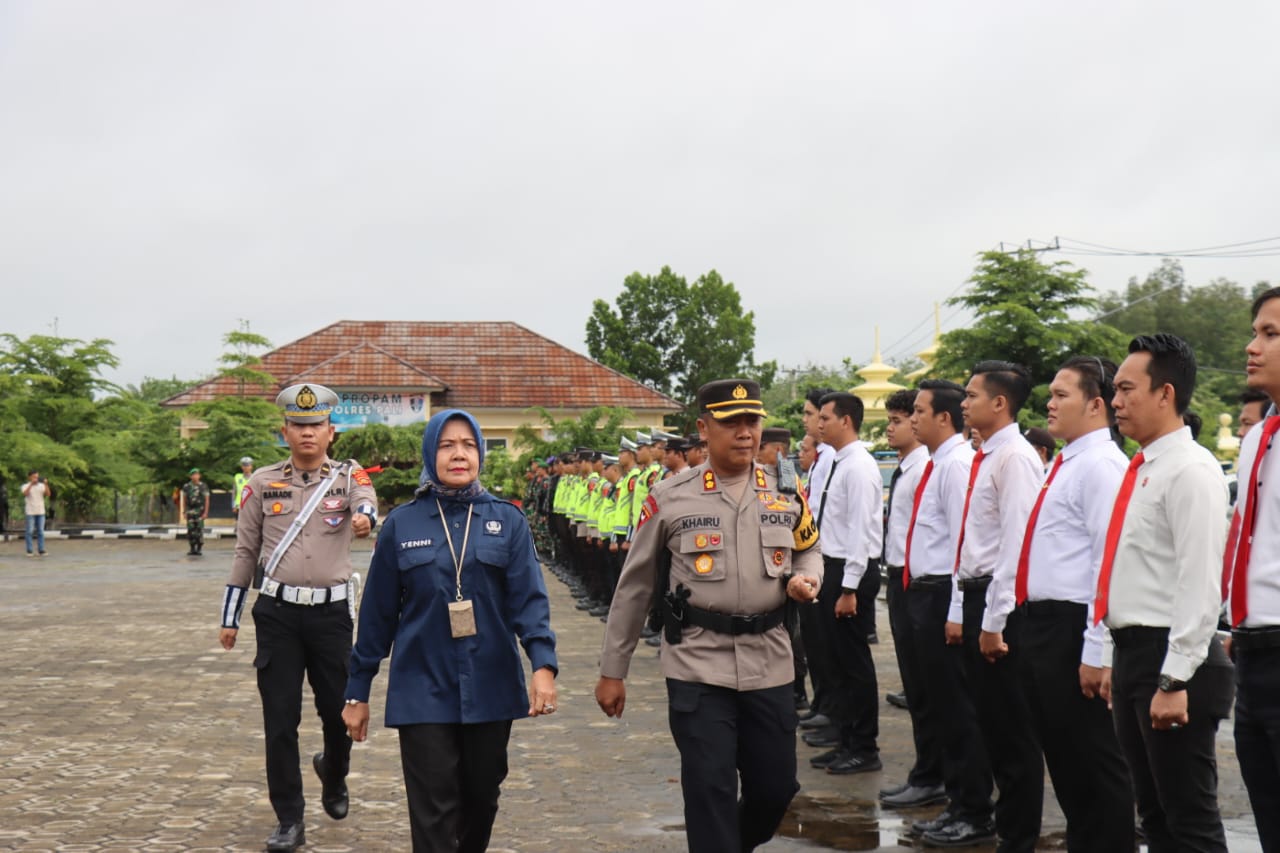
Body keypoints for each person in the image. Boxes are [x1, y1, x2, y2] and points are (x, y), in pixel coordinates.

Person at [595, 379, 822, 853]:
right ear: (703, 428)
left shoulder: (785, 489)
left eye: (752, 422)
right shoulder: (670, 495)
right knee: (708, 787)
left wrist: (807, 578)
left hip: (770, 662)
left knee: (775, 789)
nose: (745, 432)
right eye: (731, 422)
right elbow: (635, 587)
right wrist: (612, 671)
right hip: (698, 663)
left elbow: (809, 548)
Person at [343, 408, 557, 853]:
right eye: (446, 445)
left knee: (482, 797)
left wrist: (542, 665)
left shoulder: (509, 521)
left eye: (468, 445)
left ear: (480, 452)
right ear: (430, 452)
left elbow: (529, 601)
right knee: (433, 810)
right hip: (422, 685)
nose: (459, 454)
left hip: (492, 684)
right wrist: (356, 691)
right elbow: (377, 615)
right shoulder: (402, 524)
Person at [218, 383, 378, 853]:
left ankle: (334, 771)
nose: (307, 433)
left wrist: (366, 518)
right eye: (298, 425)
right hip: (278, 615)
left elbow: (366, 504)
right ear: (284, 431)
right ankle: (290, 818)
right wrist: (230, 619)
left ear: (332, 432)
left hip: (331, 616)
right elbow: (245, 552)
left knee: (339, 713)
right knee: (280, 721)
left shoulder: (350, 479)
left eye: (316, 425)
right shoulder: (262, 483)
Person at [1098, 334, 1233, 852]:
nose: (1116, 401)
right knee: (1153, 817)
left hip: (1175, 658)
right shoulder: (1145, 468)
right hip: (1135, 654)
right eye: (1115, 390)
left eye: (1127, 389)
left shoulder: (1191, 470)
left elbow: (1200, 582)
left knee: (1189, 821)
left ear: (1166, 393)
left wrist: (1175, 676)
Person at [1017, 356, 1135, 851]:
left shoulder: (1103, 466)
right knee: (1066, 761)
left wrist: (1095, 649)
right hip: (1045, 626)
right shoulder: (1070, 459)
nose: (1049, 402)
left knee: (1094, 762)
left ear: (1095, 405)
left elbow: (1106, 567)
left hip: (1074, 629)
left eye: (1061, 394)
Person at [954, 361, 1046, 851]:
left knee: (1012, 733)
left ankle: (1018, 838)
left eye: (971, 395)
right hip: (976, 596)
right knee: (990, 725)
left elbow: (1017, 546)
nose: (963, 403)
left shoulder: (1015, 458)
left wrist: (994, 622)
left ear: (999, 403)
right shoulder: (986, 456)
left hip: (997, 603)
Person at [904, 379, 995, 842]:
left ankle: (973, 810)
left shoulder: (957, 465)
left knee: (959, 710)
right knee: (941, 705)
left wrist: (956, 609)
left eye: (919, 411)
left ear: (943, 418)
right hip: (926, 593)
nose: (912, 417)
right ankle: (958, 802)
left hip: (946, 594)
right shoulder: (939, 464)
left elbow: (967, 545)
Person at [1223, 287, 1280, 851]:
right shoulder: (1259, 436)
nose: (1252, 346)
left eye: (1271, 334)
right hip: (1253, 648)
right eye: (1255, 332)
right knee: (1267, 811)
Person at [807, 392, 884, 775]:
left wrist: (849, 587)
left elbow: (860, 531)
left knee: (853, 664)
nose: (819, 425)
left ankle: (864, 747)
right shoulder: (839, 462)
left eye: (825, 418)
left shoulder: (859, 467)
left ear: (846, 421)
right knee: (835, 661)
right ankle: (846, 739)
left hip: (849, 570)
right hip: (833, 566)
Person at [877, 389, 946, 810]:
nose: (895, 426)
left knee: (930, 690)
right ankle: (927, 771)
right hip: (903, 576)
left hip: (923, 579)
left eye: (903, 417)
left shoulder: (928, 468)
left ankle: (933, 775)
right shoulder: (909, 468)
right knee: (918, 688)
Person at [181, 468, 211, 556]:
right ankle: (192, 548)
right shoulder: (186, 486)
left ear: (199, 476)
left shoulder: (203, 486)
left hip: (200, 511)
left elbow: (207, 500)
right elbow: (184, 499)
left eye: (197, 474)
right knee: (190, 530)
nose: (195, 476)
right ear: (190, 476)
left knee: (199, 529)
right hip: (190, 511)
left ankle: (199, 548)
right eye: (193, 475)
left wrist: (206, 512)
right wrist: (184, 512)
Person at [21, 470, 52, 557]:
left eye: (37, 477)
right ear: (30, 477)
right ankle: (29, 550)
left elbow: (48, 494)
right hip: (30, 511)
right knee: (29, 531)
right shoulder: (25, 486)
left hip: (40, 511)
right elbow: (25, 493)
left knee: (41, 532)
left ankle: (41, 549)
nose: (36, 479)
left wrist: (46, 484)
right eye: (34, 477)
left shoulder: (41, 486)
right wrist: (31, 484)